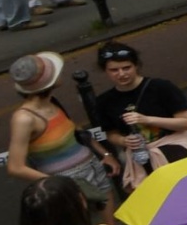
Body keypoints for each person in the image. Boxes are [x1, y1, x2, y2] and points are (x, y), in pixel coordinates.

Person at [7, 51, 113, 204]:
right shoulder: (24, 118)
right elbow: (15, 167)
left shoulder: (53, 102)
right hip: (64, 181)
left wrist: (105, 154)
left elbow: (77, 133)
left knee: (109, 223)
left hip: (92, 167)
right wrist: (59, 184)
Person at [91, 42, 187, 192]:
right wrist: (123, 140)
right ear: (106, 71)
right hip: (139, 158)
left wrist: (148, 119)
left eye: (126, 68)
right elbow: (111, 133)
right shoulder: (104, 101)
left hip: (176, 151)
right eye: (114, 70)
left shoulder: (161, 87)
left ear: (136, 66)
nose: (121, 74)